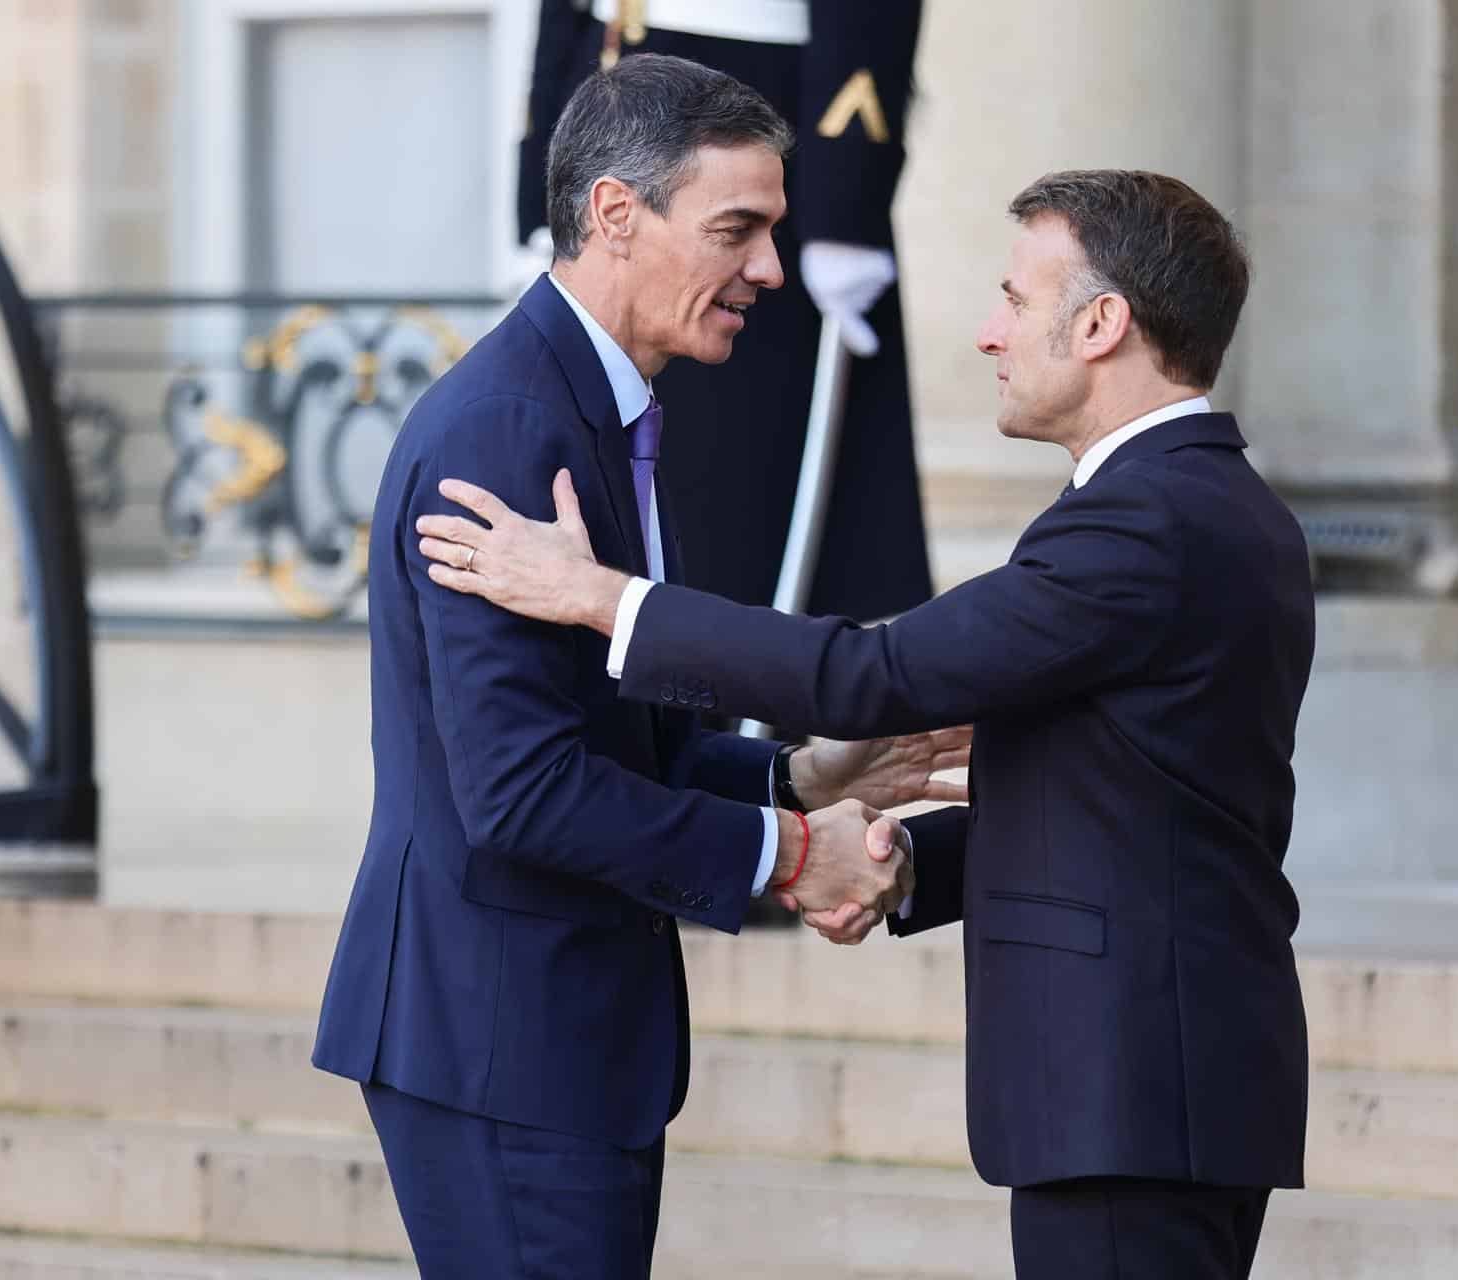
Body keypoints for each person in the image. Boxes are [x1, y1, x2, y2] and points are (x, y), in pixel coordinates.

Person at [417, 169, 1317, 1280]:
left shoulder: (1145, 519)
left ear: (1100, 325)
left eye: (1013, 300)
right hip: (1168, 1084)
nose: (989, 333)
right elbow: (1135, 804)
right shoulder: (1210, 502)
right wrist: (894, 867)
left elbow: (873, 673)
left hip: (1136, 1090)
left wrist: (602, 597)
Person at [312, 54, 968, 1279]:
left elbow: (626, 737)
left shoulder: (589, 406)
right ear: (617, 213)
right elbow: (520, 788)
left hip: (549, 1037)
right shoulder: (510, 430)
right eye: (739, 228)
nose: (770, 268)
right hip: (503, 1038)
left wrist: (803, 778)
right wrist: (786, 857)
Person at [515, 0, 932, 621]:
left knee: (729, 498)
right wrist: (541, 187)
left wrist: (846, 198)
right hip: (604, 96)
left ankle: (728, 703)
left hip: (745, 110)